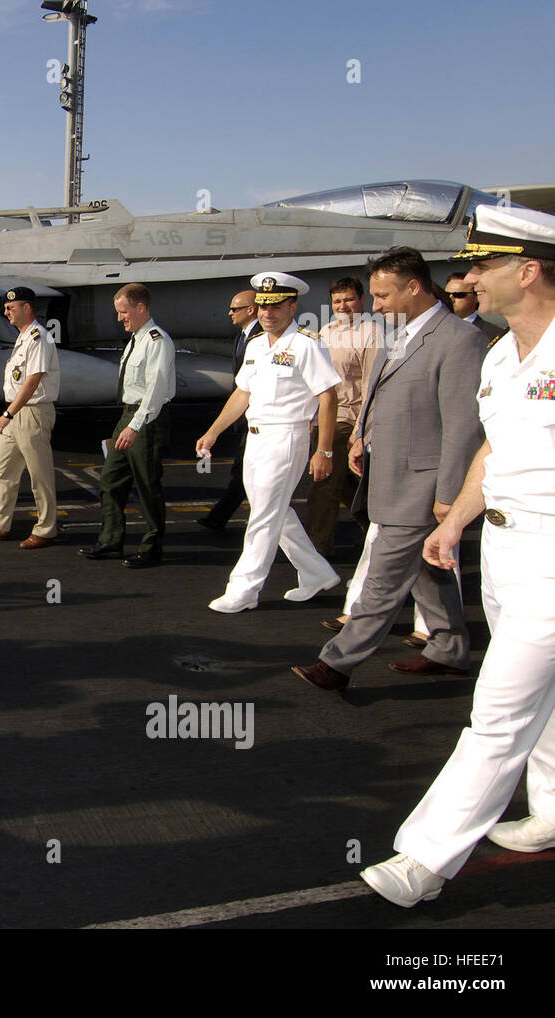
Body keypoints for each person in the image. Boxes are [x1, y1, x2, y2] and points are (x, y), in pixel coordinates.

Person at [359, 206, 555, 907]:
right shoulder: (502, 354)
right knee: (544, 695)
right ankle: (553, 811)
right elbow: (494, 448)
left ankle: (424, 859)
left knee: (498, 709)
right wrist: (458, 522)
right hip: (505, 547)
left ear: (527, 271)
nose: (468, 277)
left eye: (483, 266)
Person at [292, 248, 485, 692]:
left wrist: (449, 494)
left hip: (422, 481)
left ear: (413, 287)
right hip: (386, 470)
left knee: (382, 577)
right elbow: (376, 392)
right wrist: (361, 436)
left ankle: (336, 664)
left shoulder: (459, 339)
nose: (374, 305)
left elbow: (462, 425)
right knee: (427, 571)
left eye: (381, 295)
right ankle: (450, 649)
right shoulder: (396, 332)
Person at [195, 271, 341, 613]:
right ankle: (316, 572)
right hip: (257, 438)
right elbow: (242, 393)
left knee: (263, 515)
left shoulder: (307, 343)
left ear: (292, 307)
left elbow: (328, 397)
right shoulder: (257, 345)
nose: (267, 313)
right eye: (262, 306)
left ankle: (244, 590)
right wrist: (213, 431)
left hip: (287, 437)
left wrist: (325, 450)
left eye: (275, 307)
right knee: (276, 512)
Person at [79, 283, 174, 567]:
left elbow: (155, 391)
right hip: (129, 416)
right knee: (110, 480)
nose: (120, 318)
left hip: (148, 420)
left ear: (141, 307)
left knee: (147, 484)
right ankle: (111, 541)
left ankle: (152, 547)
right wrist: (127, 423)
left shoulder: (157, 341)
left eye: (123, 312)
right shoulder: (136, 339)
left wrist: (134, 427)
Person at [0, 287, 60, 549]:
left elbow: (32, 381)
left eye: (11, 307)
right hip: (16, 411)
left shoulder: (38, 338)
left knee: (39, 473)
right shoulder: (22, 338)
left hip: (31, 412)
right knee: (3, 467)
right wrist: (10, 412)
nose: (6, 311)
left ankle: (46, 529)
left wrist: (8, 413)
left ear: (27, 308)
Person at [304, 277, 380, 557]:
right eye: (337, 301)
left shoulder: (372, 333)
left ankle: (316, 552)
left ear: (362, 300)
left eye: (349, 300)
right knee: (345, 484)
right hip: (324, 416)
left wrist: (360, 432)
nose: (343, 306)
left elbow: (372, 386)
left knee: (322, 484)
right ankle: (374, 526)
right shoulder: (326, 331)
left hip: (348, 418)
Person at [198, 291, 261, 531]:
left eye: (235, 309)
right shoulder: (242, 337)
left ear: (251, 309)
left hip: (257, 416)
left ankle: (219, 517)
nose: (230, 313)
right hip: (244, 414)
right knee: (243, 471)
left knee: (244, 471)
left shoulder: (260, 338)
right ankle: (220, 517)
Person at [445, 270, 505, 343]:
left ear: (476, 297)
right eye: (446, 294)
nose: (451, 298)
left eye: (458, 295)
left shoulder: (494, 334)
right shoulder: (436, 328)